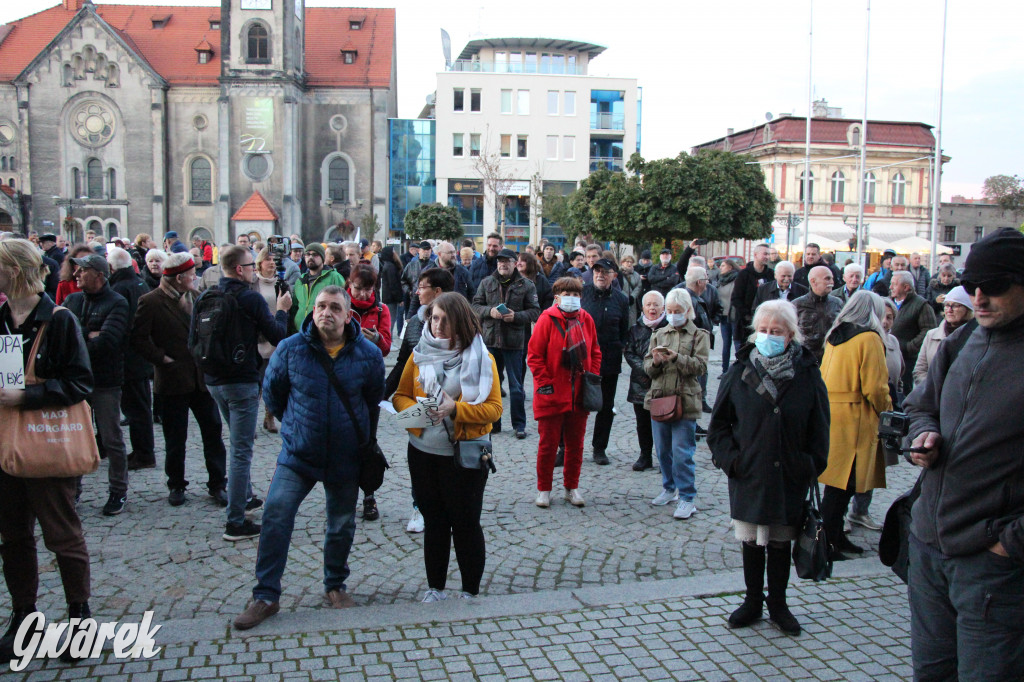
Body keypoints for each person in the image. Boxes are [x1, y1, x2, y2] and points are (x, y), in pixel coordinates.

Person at [903, 227, 1024, 680]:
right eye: (973, 287)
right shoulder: (965, 338)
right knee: (932, 673)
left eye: (993, 288)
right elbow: (920, 406)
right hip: (929, 549)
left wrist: (1008, 544)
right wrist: (925, 435)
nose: (979, 298)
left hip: (992, 566)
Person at [233, 286, 385, 630]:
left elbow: (373, 399)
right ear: (311, 311)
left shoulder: (368, 354)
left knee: (341, 523)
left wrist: (362, 440)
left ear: (348, 315)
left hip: (346, 457)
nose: (326, 313)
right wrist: (300, 426)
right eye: (320, 306)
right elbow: (273, 396)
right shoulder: (289, 350)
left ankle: (335, 584)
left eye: (334, 307)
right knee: (276, 514)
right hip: (298, 455)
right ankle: (266, 595)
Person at [708, 299, 829, 636]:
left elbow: (821, 429)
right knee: (752, 542)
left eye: (775, 331)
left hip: (788, 475)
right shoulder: (739, 371)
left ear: (790, 335)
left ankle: (779, 603)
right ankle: (752, 601)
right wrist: (732, 460)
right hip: (749, 472)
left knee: (779, 542)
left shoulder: (807, 374)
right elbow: (718, 427)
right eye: (763, 330)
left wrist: (808, 465)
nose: (768, 336)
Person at [0, 239, 96, 664]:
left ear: (16, 271)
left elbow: (80, 382)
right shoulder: (2, 319)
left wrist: (27, 397)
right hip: (8, 446)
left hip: (50, 443)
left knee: (62, 536)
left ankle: (80, 620)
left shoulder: (57, 320)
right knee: (14, 537)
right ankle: (25, 619)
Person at [393, 292, 502, 602]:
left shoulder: (483, 357)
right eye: (434, 317)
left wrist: (455, 409)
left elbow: (494, 409)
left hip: (465, 454)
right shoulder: (418, 354)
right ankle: (435, 588)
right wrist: (419, 410)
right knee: (435, 521)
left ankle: (470, 590)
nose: (437, 325)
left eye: (444, 319)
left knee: (466, 522)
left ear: (461, 323)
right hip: (423, 452)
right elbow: (400, 396)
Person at [199, 245, 291, 541]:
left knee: (239, 441)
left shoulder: (207, 296)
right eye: (251, 265)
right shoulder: (248, 297)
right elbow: (277, 335)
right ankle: (235, 521)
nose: (254, 269)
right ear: (239, 269)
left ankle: (246, 496)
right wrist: (282, 311)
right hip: (240, 381)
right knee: (241, 451)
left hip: (214, 380)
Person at [133, 253, 227, 506]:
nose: (195, 278)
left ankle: (218, 483)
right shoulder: (150, 301)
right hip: (173, 379)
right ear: (178, 278)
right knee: (175, 437)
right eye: (190, 275)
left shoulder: (197, 298)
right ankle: (176, 484)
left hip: (201, 380)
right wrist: (161, 359)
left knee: (213, 432)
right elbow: (138, 338)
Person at [817, 291, 892, 560]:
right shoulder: (869, 339)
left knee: (837, 485)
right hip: (856, 418)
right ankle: (828, 541)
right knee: (843, 486)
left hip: (833, 415)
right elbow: (875, 387)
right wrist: (889, 412)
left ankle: (834, 537)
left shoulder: (835, 336)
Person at [63, 253, 131, 516]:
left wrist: (81, 337)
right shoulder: (72, 300)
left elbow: (108, 342)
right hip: (76, 380)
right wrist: (87, 334)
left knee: (111, 437)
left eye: (83, 271)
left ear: (99, 275)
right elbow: (63, 337)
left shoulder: (117, 302)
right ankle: (74, 490)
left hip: (105, 380)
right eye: (76, 271)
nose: (77, 275)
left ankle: (118, 490)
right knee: (76, 436)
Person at [528, 277, 601, 506]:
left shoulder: (586, 319)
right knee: (548, 444)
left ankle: (572, 487)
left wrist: (591, 375)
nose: (572, 298)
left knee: (575, 444)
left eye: (576, 294)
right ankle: (544, 489)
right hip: (551, 392)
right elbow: (534, 355)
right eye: (567, 293)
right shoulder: (546, 319)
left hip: (579, 393)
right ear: (557, 296)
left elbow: (595, 351)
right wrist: (544, 382)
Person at [643, 288, 710, 519]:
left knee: (682, 452)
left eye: (677, 311)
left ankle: (687, 497)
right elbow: (647, 368)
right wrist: (658, 362)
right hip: (661, 397)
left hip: (686, 399)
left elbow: (701, 367)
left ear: (688, 310)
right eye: (669, 311)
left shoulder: (699, 335)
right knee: (662, 451)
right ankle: (669, 488)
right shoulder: (659, 333)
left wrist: (676, 358)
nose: (673, 315)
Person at [844, 296, 905, 534]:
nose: (887, 322)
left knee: (873, 465)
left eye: (890, 317)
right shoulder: (867, 340)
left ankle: (861, 511)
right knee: (858, 466)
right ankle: (846, 512)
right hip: (871, 411)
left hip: (887, 407)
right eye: (883, 316)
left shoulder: (892, 342)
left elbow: (900, 372)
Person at [471, 248, 539, 438]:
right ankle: (495, 422)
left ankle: (519, 425)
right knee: (492, 385)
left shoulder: (526, 285)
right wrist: (489, 312)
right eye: (500, 261)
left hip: (514, 342)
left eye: (507, 261)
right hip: (491, 341)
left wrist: (516, 316)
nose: (503, 264)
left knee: (516, 386)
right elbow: (475, 306)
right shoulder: (487, 282)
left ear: (515, 263)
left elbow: (535, 311)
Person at [347, 264, 391, 522]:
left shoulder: (381, 309)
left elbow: (386, 347)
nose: (363, 294)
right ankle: (344, 493)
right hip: (343, 382)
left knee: (367, 441)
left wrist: (375, 339)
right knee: (343, 441)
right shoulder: (341, 306)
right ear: (349, 286)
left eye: (368, 289)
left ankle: (369, 495)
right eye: (358, 289)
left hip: (370, 385)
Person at [107, 247, 156, 471]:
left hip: (130, 358)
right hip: (141, 356)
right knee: (141, 408)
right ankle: (143, 451)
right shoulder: (138, 282)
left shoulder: (119, 287)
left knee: (136, 409)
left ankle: (143, 453)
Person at [581, 258, 631, 464]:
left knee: (606, 406)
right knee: (575, 404)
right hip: (582, 359)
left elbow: (624, 330)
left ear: (614, 276)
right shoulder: (582, 294)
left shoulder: (622, 299)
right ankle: (566, 447)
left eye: (605, 271)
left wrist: (618, 346)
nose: (600, 274)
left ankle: (599, 448)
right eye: (597, 271)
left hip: (609, 359)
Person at [624, 290, 667, 471]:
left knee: (663, 422)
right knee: (642, 423)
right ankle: (645, 455)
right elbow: (629, 352)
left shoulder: (668, 328)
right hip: (640, 384)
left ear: (662, 307)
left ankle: (665, 457)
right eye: (648, 304)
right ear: (642, 307)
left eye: (656, 304)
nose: (652, 308)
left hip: (662, 383)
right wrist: (646, 368)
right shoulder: (635, 329)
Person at [254, 247, 288, 433]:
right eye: (268, 259)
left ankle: (269, 416)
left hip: (276, 337)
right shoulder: (253, 284)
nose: (272, 263)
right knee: (256, 382)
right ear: (260, 262)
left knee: (273, 381)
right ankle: (251, 418)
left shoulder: (281, 283)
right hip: (258, 340)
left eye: (274, 260)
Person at [912, 286, 975, 385]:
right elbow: (919, 370)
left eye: (955, 305)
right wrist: (933, 388)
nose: (949, 310)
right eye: (946, 305)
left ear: (967, 309)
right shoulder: (932, 335)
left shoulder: (975, 337)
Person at [890, 270, 937, 393]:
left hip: (909, 361)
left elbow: (929, 330)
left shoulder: (921, 305)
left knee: (905, 393)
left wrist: (909, 347)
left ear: (906, 287)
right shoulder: (888, 303)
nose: (890, 287)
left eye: (894, 284)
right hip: (890, 358)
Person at [291, 242, 345, 333]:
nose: (310, 257)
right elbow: (294, 307)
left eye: (315, 255)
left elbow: (343, 304)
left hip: (322, 331)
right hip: (299, 331)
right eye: (307, 254)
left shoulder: (334, 277)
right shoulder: (300, 280)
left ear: (322, 258)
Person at [793, 266, 843, 364]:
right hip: (805, 361)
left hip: (832, 359)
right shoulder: (797, 305)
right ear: (813, 281)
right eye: (827, 278)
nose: (832, 282)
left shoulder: (837, 303)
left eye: (832, 278)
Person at [730, 244, 774, 346]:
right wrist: (747, 315)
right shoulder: (744, 274)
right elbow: (736, 298)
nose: (767, 257)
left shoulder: (771, 274)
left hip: (767, 322)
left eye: (768, 254)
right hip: (746, 323)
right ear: (755, 255)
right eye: (764, 254)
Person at [715, 257, 743, 372]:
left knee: (737, 343)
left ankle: (739, 370)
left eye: (723, 266)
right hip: (724, 316)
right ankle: (725, 370)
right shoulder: (720, 280)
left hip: (735, 315)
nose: (720, 268)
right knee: (726, 344)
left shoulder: (737, 279)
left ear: (730, 267)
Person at [378, 245, 404, 340]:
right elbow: (394, 285)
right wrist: (399, 298)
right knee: (391, 320)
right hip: (391, 298)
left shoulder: (389, 265)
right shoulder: (390, 267)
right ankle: (388, 340)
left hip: (389, 297)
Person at [619, 254, 644, 320]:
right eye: (627, 262)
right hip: (622, 301)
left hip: (632, 303)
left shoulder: (636, 275)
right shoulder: (619, 274)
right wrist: (625, 297)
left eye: (631, 262)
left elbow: (639, 286)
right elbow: (618, 286)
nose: (629, 263)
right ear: (622, 263)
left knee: (632, 319)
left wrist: (633, 296)